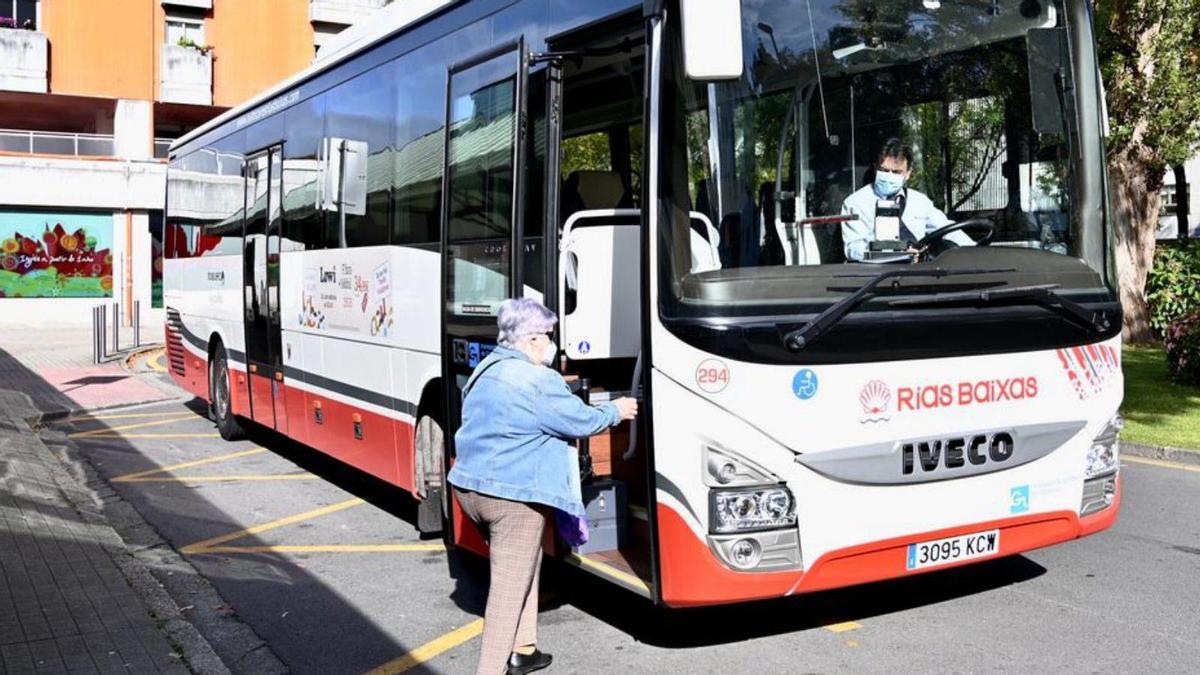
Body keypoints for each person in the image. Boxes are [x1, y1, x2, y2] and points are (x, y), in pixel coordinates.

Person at [447, 298, 638, 675]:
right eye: (548, 335)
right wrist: (619, 410)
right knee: (506, 590)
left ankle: (525, 648)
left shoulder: (486, 368)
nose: (551, 342)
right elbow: (579, 421)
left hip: (469, 489)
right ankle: (490, 669)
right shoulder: (537, 380)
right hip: (513, 498)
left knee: (522, 563)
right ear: (532, 338)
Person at [840, 138, 969, 262]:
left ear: (908, 173)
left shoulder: (919, 202)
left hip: (916, 273)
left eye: (896, 172)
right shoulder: (855, 203)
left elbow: (948, 230)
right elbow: (852, 248)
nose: (889, 176)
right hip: (876, 277)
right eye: (884, 170)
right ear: (875, 168)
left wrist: (978, 249)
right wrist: (892, 252)